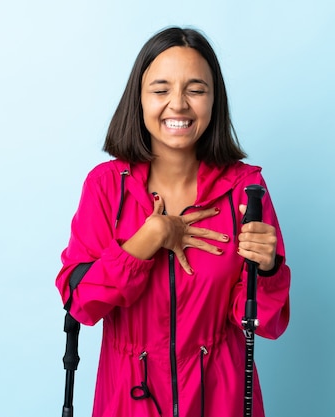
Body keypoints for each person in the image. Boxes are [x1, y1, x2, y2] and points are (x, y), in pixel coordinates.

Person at [56, 26, 291, 417]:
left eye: (196, 90)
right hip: (128, 400)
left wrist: (266, 270)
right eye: (161, 89)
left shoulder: (246, 190)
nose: (178, 104)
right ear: (139, 99)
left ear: (215, 101)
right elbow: (81, 303)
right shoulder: (106, 187)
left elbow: (262, 323)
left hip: (219, 398)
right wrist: (148, 239)